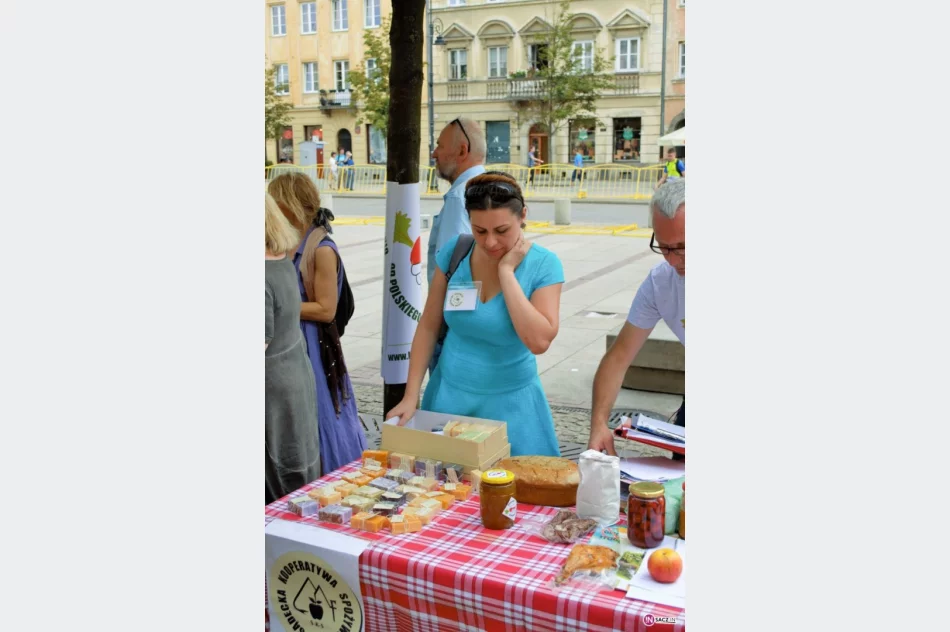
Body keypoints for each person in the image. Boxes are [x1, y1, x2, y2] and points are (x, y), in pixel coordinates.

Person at [386, 171, 565, 457]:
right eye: (480, 231)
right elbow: (429, 325)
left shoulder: (544, 265)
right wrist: (411, 395)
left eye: (502, 231)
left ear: (523, 216)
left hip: (512, 407)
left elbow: (539, 341)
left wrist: (506, 273)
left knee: (510, 494)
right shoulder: (455, 252)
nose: (491, 242)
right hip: (450, 396)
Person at [268, 173, 368, 473]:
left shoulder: (321, 248)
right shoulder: (286, 241)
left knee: (319, 415)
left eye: (274, 201)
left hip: (312, 346)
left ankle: (328, 477)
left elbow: (326, 309)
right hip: (290, 340)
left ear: (289, 205)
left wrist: (281, 304)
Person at [587, 179, 685, 457]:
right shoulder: (660, 282)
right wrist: (598, 424)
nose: (673, 260)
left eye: (683, 246)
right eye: (664, 247)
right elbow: (618, 358)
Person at [265, 192, 321, 503]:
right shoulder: (281, 261)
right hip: (293, 380)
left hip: (272, 395)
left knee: (281, 488)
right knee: (298, 478)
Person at [427, 117, 487, 369]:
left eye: (440, 145)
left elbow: (452, 272)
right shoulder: (491, 186)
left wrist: (448, 329)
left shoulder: (459, 197)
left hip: (455, 332)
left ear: (462, 150)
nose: (434, 153)